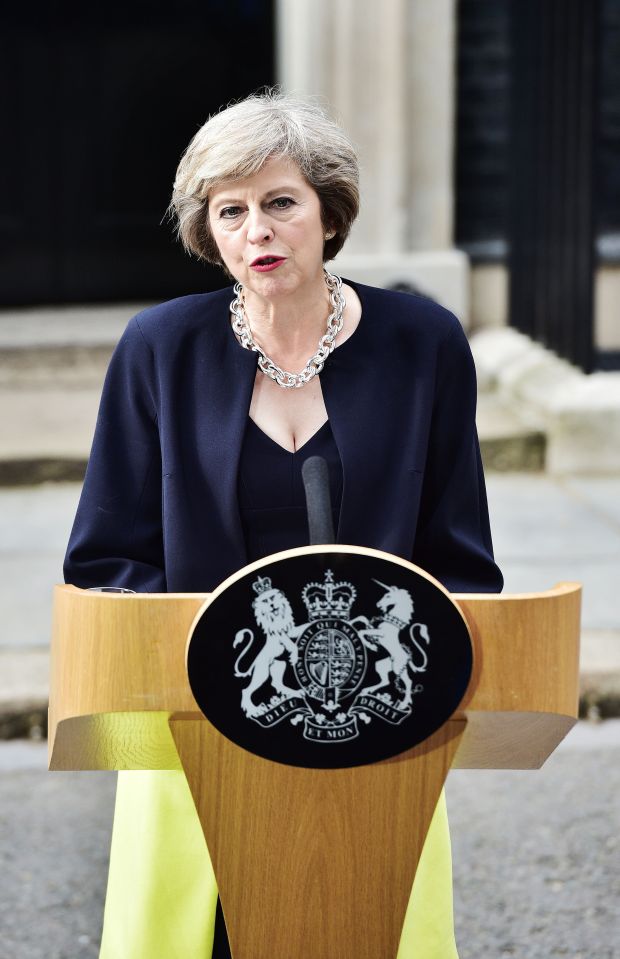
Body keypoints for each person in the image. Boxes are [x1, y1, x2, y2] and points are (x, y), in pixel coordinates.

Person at [64, 90, 503, 959]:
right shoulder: (159, 348)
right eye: (231, 210)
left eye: (279, 202)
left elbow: (460, 558)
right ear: (208, 230)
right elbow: (106, 560)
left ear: (328, 214)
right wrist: (191, 651)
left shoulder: (425, 342)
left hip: (378, 724)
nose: (256, 230)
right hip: (199, 731)